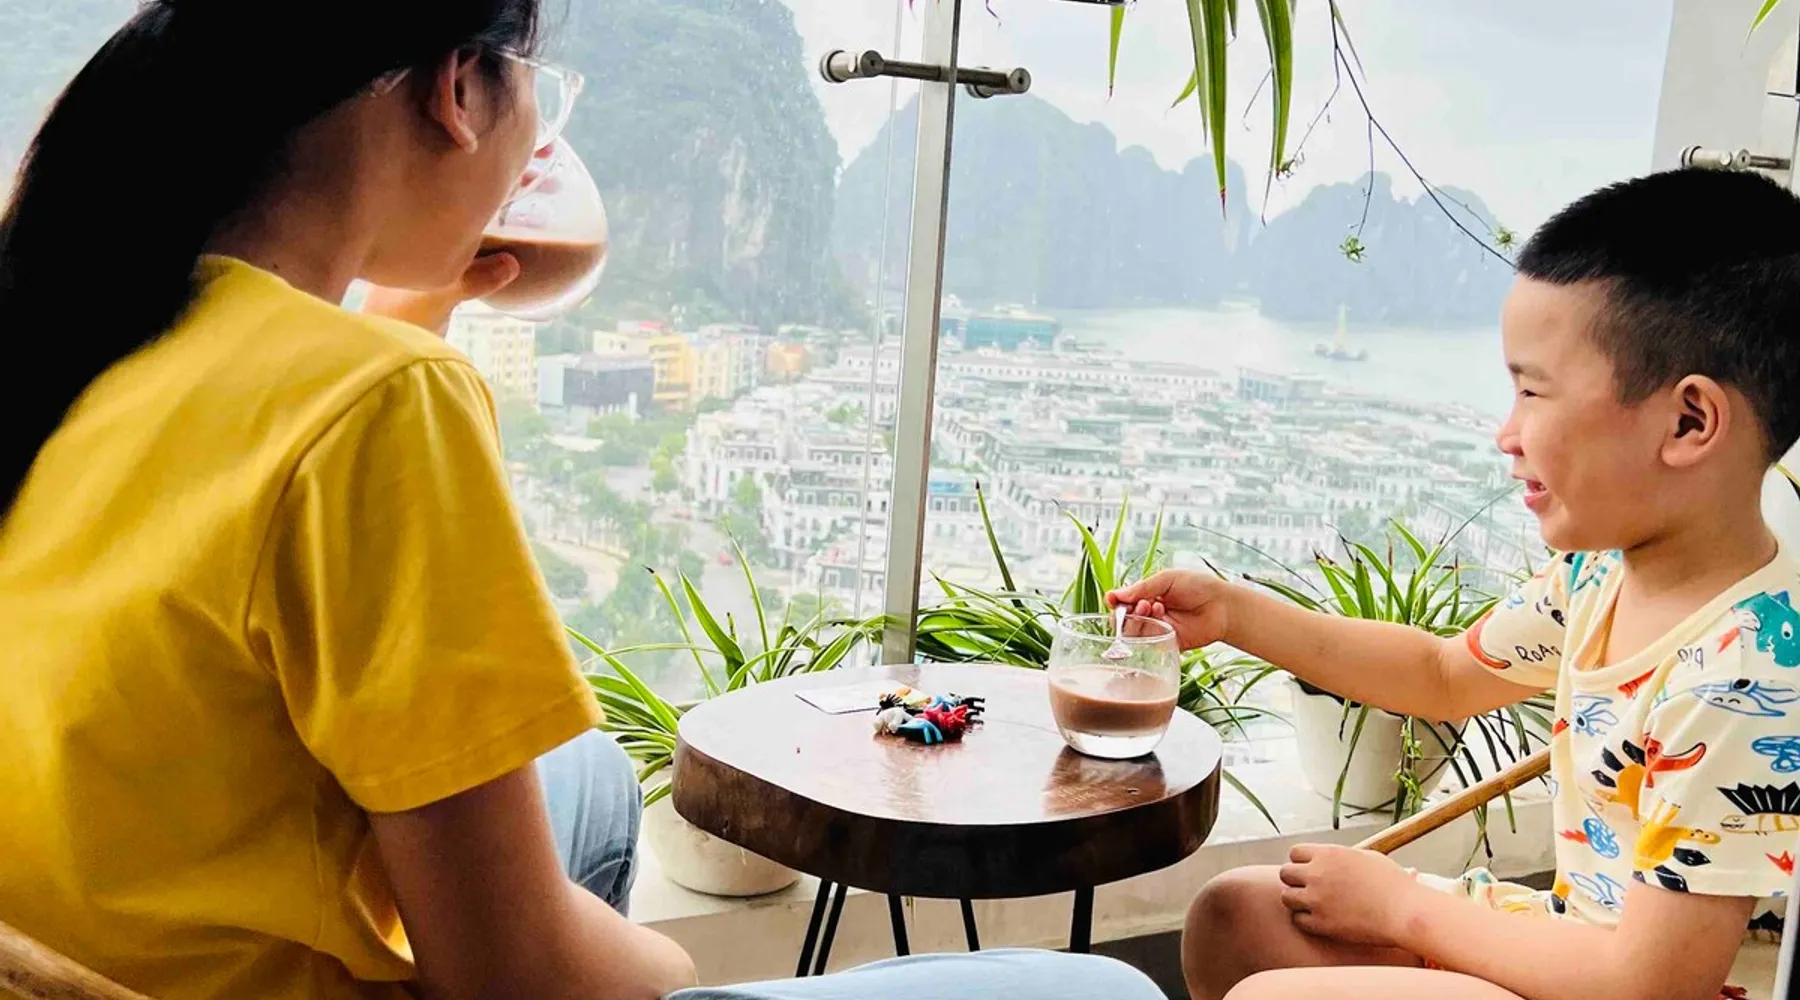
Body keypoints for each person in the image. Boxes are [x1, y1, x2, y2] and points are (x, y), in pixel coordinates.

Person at [0, 4, 1163, 1000]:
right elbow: (513, 972)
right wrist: (676, 970)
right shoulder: (375, 400)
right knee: (1102, 989)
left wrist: (419, 302)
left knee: (594, 779)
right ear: (458, 92)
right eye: (539, 99)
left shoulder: (70, 321)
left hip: (86, 957)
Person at [1109, 169, 1800, 1000]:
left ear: (1689, 422)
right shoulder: (1599, 574)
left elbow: (1651, 982)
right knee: (1238, 914)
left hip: (1620, 987)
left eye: (1532, 391)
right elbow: (1441, 676)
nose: (1507, 433)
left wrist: (1403, 909)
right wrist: (1233, 612)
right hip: (1566, 941)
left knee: (1273, 997)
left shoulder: (1748, 673)